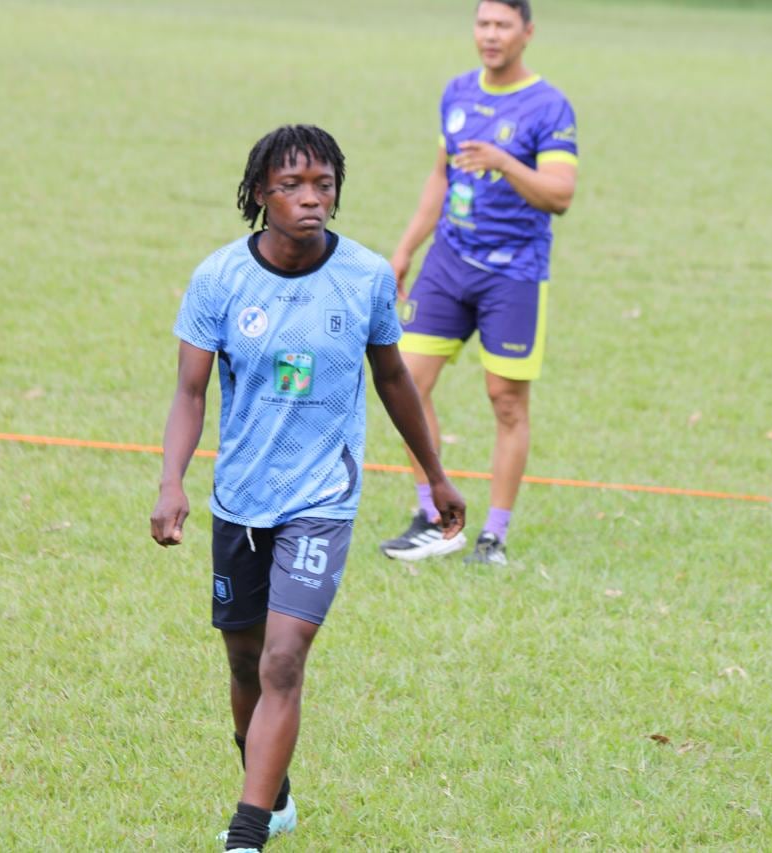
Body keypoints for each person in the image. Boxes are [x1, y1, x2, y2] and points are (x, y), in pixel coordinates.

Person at [149, 125, 465, 852]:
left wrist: (436, 474)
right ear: (260, 192)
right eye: (291, 185)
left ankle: (248, 831)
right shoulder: (220, 279)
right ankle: (276, 789)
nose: (311, 198)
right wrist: (173, 482)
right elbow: (190, 393)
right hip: (240, 498)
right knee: (243, 657)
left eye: (323, 183)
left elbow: (393, 379)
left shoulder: (363, 278)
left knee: (284, 657)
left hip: (323, 498)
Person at [379, 0, 578, 566]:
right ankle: (434, 517)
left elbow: (560, 196)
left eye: (502, 25)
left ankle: (494, 535)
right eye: (483, 24)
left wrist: (504, 161)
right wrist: (404, 249)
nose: (490, 35)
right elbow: (439, 178)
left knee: (506, 402)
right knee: (406, 387)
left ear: (527, 33)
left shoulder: (549, 105)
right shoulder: (457, 92)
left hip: (513, 273)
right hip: (447, 263)